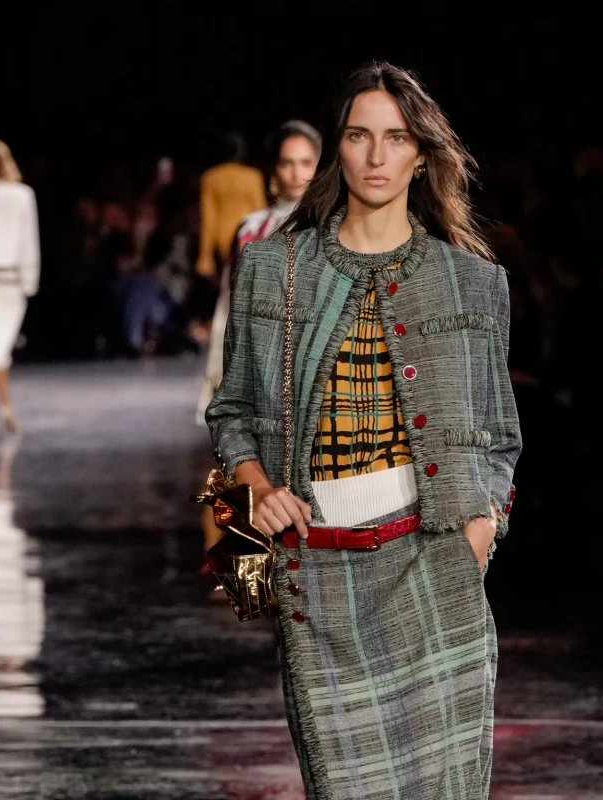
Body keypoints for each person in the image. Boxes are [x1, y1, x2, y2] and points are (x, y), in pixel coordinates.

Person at [206, 62, 521, 798]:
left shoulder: (474, 282)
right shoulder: (273, 269)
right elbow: (232, 410)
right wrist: (257, 491)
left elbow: (500, 436)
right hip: (315, 572)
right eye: (359, 136)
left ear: (422, 155)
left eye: (396, 137)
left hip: (436, 562)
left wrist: (481, 530)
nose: (377, 155)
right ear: (337, 150)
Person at [197, 120, 322, 426]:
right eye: (287, 162)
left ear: (319, 166)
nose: (296, 173)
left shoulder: (334, 225)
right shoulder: (252, 229)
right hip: (261, 355)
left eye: (306, 162)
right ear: (274, 167)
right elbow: (230, 306)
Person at [0, 140, 40, 433]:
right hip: (9, 283)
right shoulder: (22, 195)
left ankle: (6, 408)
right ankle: (5, 409)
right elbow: (28, 241)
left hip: (3, 281)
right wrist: (30, 282)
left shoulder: (22, 195)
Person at [196, 131, 266, 279]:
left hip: (223, 239)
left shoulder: (211, 178)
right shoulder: (252, 176)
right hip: (249, 235)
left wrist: (205, 257)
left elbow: (209, 219)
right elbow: (260, 211)